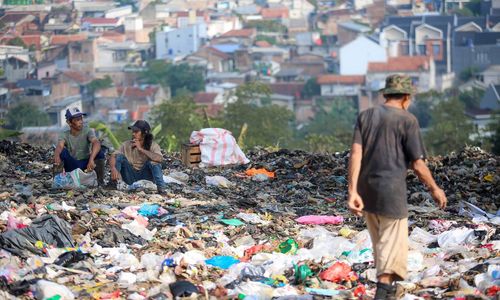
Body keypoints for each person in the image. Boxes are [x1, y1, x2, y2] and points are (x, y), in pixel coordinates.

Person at [347, 74, 447, 299]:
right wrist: (434, 188)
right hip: (391, 192)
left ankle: (390, 292)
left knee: (381, 246)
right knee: (391, 249)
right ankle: (383, 292)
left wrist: (352, 191)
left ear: (386, 94)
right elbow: (418, 164)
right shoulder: (406, 120)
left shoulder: (365, 116)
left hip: (366, 192)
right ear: (406, 97)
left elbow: (355, 153)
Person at [109, 120, 167, 194]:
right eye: (133, 131)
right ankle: (113, 184)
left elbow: (159, 159)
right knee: (119, 157)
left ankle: (161, 189)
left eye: (136, 132)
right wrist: (113, 168)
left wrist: (141, 149)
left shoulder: (153, 145)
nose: (133, 134)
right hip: (130, 176)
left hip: (146, 177)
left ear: (144, 134)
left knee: (154, 162)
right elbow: (113, 156)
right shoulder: (126, 144)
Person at [54, 107, 105, 185]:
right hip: (72, 165)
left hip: (86, 164)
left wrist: (91, 159)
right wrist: (57, 155)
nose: (81, 122)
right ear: (69, 122)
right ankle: (58, 182)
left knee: (100, 153)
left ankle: (100, 182)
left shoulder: (87, 130)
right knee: (62, 152)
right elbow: (60, 146)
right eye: (77, 120)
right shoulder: (64, 134)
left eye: (81, 119)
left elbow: (96, 142)